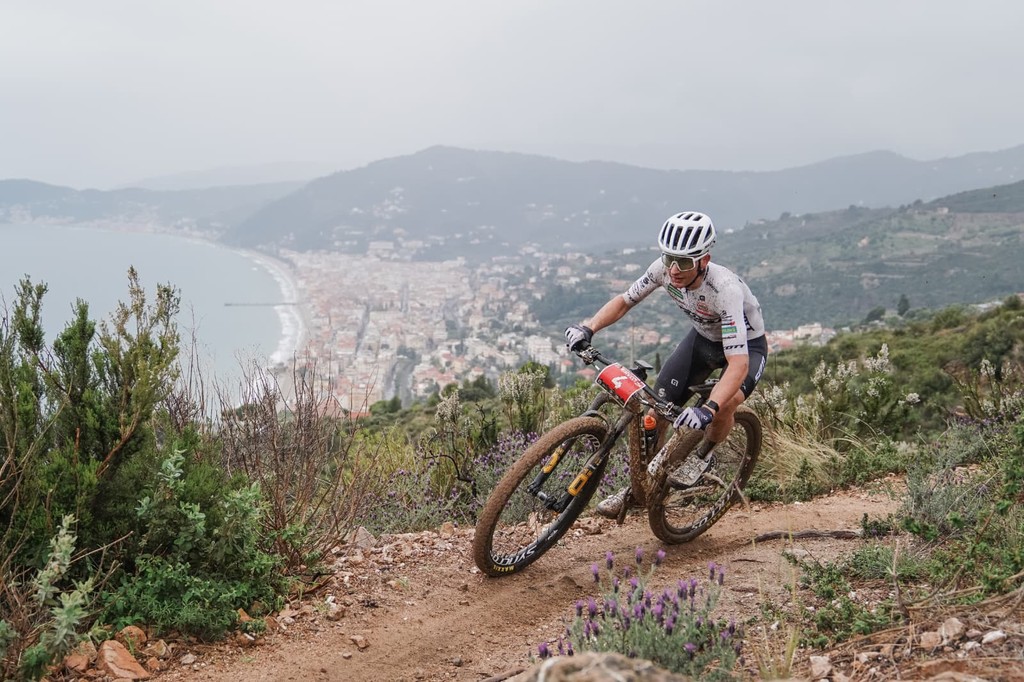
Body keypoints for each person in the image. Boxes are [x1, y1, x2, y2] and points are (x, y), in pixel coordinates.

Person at [564, 211, 767, 519]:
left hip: (746, 348)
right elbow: (625, 301)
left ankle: (704, 455)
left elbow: (738, 364)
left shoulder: (725, 290)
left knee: (724, 405)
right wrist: (588, 327)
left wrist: (708, 409)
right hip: (702, 340)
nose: (674, 269)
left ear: (704, 260)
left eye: (684, 262)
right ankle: (641, 488)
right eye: (670, 258)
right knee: (655, 413)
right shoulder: (662, 269)